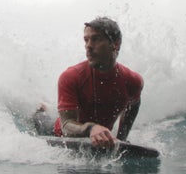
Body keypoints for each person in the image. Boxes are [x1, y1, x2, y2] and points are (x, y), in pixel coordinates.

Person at [33, 17, 143, 148]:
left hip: (93, 132)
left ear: (115, 44)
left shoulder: (132, 81)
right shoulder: (70, 76)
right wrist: (91, 128)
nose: (88, 46)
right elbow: (66, 125)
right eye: (86, 40)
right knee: (40, 118)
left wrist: (121, 138)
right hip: (58, 132)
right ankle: (42, 110)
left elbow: (133, 104)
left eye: (96, 39)